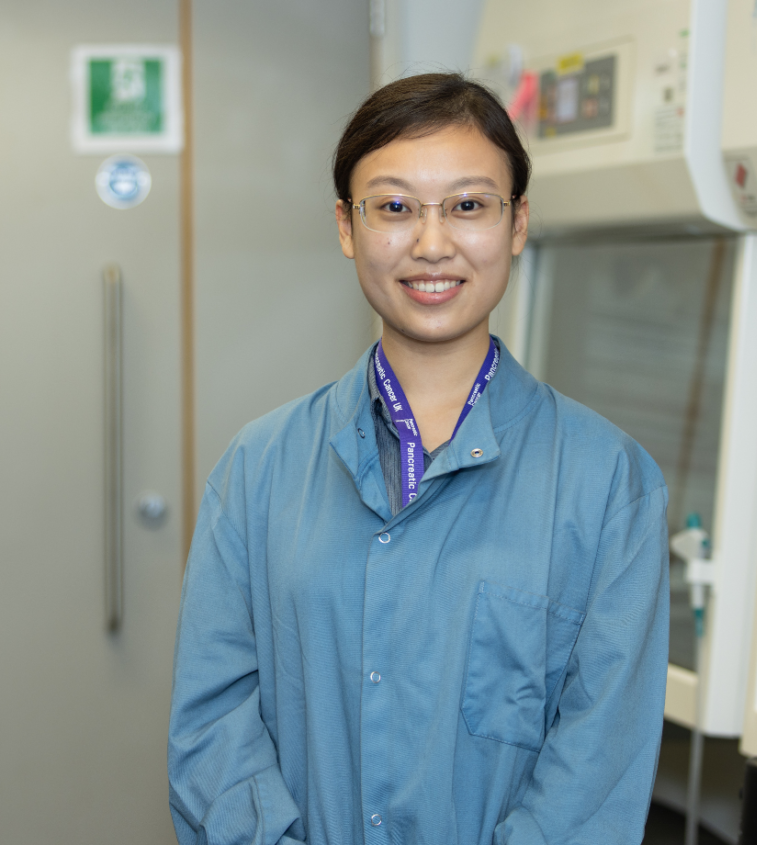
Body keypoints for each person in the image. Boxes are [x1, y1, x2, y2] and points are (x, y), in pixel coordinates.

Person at [168, 72, 669, 845]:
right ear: (346, 226)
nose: (431, 244)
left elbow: (595, 768)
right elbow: (213, 730)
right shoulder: (258, 468)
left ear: (516, 222)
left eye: (468, 205)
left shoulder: (610, 484)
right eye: (394, 208)